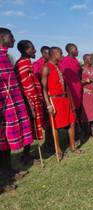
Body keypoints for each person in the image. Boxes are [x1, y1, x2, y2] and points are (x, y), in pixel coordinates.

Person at [0, 27, 32, 185]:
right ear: (1, 38)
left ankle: (8, 170)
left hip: (12, 104)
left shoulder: (5, 57)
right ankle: (5, 174)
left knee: (5, 141)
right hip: (3, 107)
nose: (13, 39)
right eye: (10, 37)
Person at [41, 47, 84, 158]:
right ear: (55, 54)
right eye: (61, 53)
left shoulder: (59, 67)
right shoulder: (46, 68)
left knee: (72, 122)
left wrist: (71, 102)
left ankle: (73, 147)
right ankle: (58, 150)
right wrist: (48, 104)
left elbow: (65, 86)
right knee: (55, 125)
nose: (62, 55)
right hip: (54, 100)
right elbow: (44, 89)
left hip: (65, 99)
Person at [14, 40, 45, 164]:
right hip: (28, 101)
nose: (35, 50)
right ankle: (25, 156)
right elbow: (23, 87)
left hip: (34, 100)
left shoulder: (27, 63)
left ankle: (26, 155)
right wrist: (30, 105)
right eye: (32, 48)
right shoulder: (22, 64)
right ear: (26, 50)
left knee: (32, 128)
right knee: (29, 128)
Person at [59, 43, 82, 121]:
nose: (77, 51)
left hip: (78, 88)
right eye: (76, 49)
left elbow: (79, 73)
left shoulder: (76, 61)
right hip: (70, 89)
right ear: (70, 50)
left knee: (78, 108)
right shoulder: (64, 61)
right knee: (72, 108)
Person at [81, 54, 93, 136]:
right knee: (86, 114)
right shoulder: (81, 69)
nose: (92, 59)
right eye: (90, 58)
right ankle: (86, 132)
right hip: (85, 94)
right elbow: (78, 81)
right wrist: (87, 80)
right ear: (85, 59)